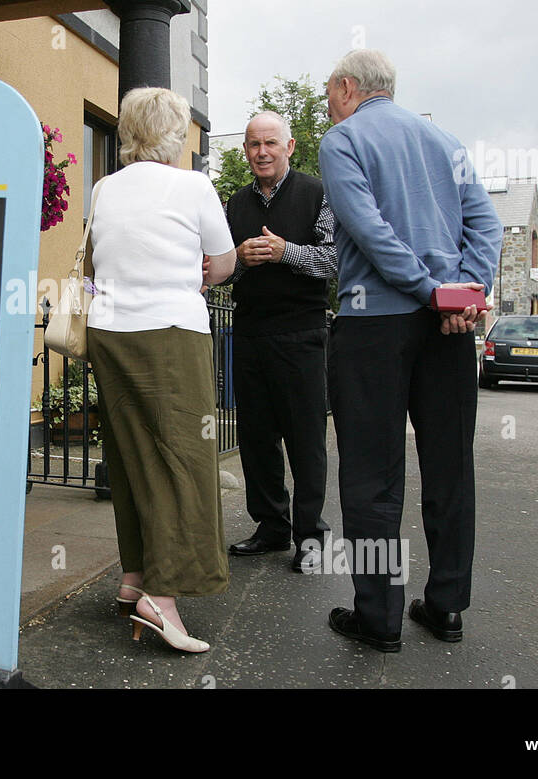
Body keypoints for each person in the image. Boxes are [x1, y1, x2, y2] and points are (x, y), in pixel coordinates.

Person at [317, 49, 502, 652]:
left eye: (328, 95)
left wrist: (428, 292)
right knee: (450, 467)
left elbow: (369, 231)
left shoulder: (342, 140)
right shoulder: (446, 140)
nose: (329, 105)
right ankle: (446, 607)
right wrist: (459, 298)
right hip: (448, 330)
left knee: (372, 477)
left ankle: (380, 618)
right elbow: (488, 227)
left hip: (374, 327)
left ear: (347, 88)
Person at [85, 86, 237, 653]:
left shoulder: (103, 189)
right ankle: (163, 597)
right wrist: (197, 274)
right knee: (181, 461)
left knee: (129, 457)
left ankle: (134, 578)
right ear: (175, 135)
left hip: (110, 332)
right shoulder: (193, 186)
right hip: (170, 334)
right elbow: (221, 263)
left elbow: (99, 261)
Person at [222, 112, 336, 572]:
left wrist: (285, 251)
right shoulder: (233, 203)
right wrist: (241, 259)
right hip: (250, 333)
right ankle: (270, 527)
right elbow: (216, 267)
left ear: (290, 147)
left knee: (306, 440)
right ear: (246, 150)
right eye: (253, 144)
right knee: (256, 439)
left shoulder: (317, 193)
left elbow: (335, 261)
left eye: (271, 143)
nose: (262, 152)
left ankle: (311, 536)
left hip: (302, 333)